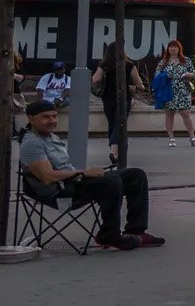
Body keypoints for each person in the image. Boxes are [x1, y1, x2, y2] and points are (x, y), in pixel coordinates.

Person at [18, 97, 162, 251]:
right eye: (46, 117)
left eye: (54, 116)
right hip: (59, 192)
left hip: (74, 182)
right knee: (111, 181)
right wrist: (84, 173)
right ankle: (109, 234)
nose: (52, 120)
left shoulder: (50, 137)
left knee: (135, 175)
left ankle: (136, 231)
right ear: (31, 119)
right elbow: (48, 177)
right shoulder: (32, 144)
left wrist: (85, 174)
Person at [92, 44, 142, 168]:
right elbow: (139, 83)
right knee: (119, 125)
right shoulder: (129, 65)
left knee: (112, 124)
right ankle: (114, 152)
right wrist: (137, 87)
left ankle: (114, 150)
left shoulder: (104, 65)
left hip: (107, 99)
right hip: (123, 98)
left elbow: (95, 79)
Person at [158, 39, 195, 147]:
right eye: (171, 47)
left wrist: (187, 74)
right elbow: (156, 75)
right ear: (168, 49)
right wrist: (165, 76)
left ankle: (192, 137)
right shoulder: (163, 62)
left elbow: (193, 73)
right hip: (169, 91)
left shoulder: (186, 60)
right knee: (169, 114)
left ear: (179, 48)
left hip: (183, 91)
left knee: (185, 113)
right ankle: (171, 138)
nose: (173, 49)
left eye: (175, 47)